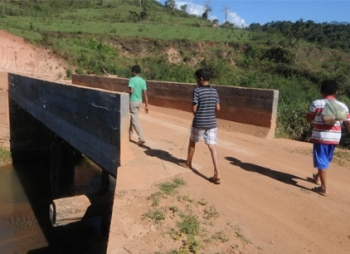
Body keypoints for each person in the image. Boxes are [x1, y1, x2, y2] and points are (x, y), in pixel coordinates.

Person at [306, 79, 350, 196]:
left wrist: (313, 116)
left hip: (321, 137)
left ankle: (323, 188)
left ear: (321, 91)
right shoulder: (343, 106)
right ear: (336, 91)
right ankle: (317, 176)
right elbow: (348, 123)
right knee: (325, 158)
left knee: (321, 160)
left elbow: (308, 118)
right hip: (335, 138)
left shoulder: (317, 103)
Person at [179, 68, 221, 184]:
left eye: (197, 79)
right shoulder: (214, 91)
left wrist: (196, 113)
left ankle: (188, 163)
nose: (196, 81)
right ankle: (217, 172)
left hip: (199, 122)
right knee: (213, 146)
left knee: (193, 142)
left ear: (201, 79)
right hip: (212, 123)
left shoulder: (197, 91)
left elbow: (194, 108)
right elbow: (218, 108)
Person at [128, 65, 149, 146]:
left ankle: (141, 138)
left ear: (133, 71)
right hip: (139, 102)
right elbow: (145, 94)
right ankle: (129, 135)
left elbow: (132, 91)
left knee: (135, 120)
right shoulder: (143, 81)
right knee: (133, 118)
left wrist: (126, 93)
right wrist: (146, 105)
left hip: (133, 101)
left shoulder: (132, 80)